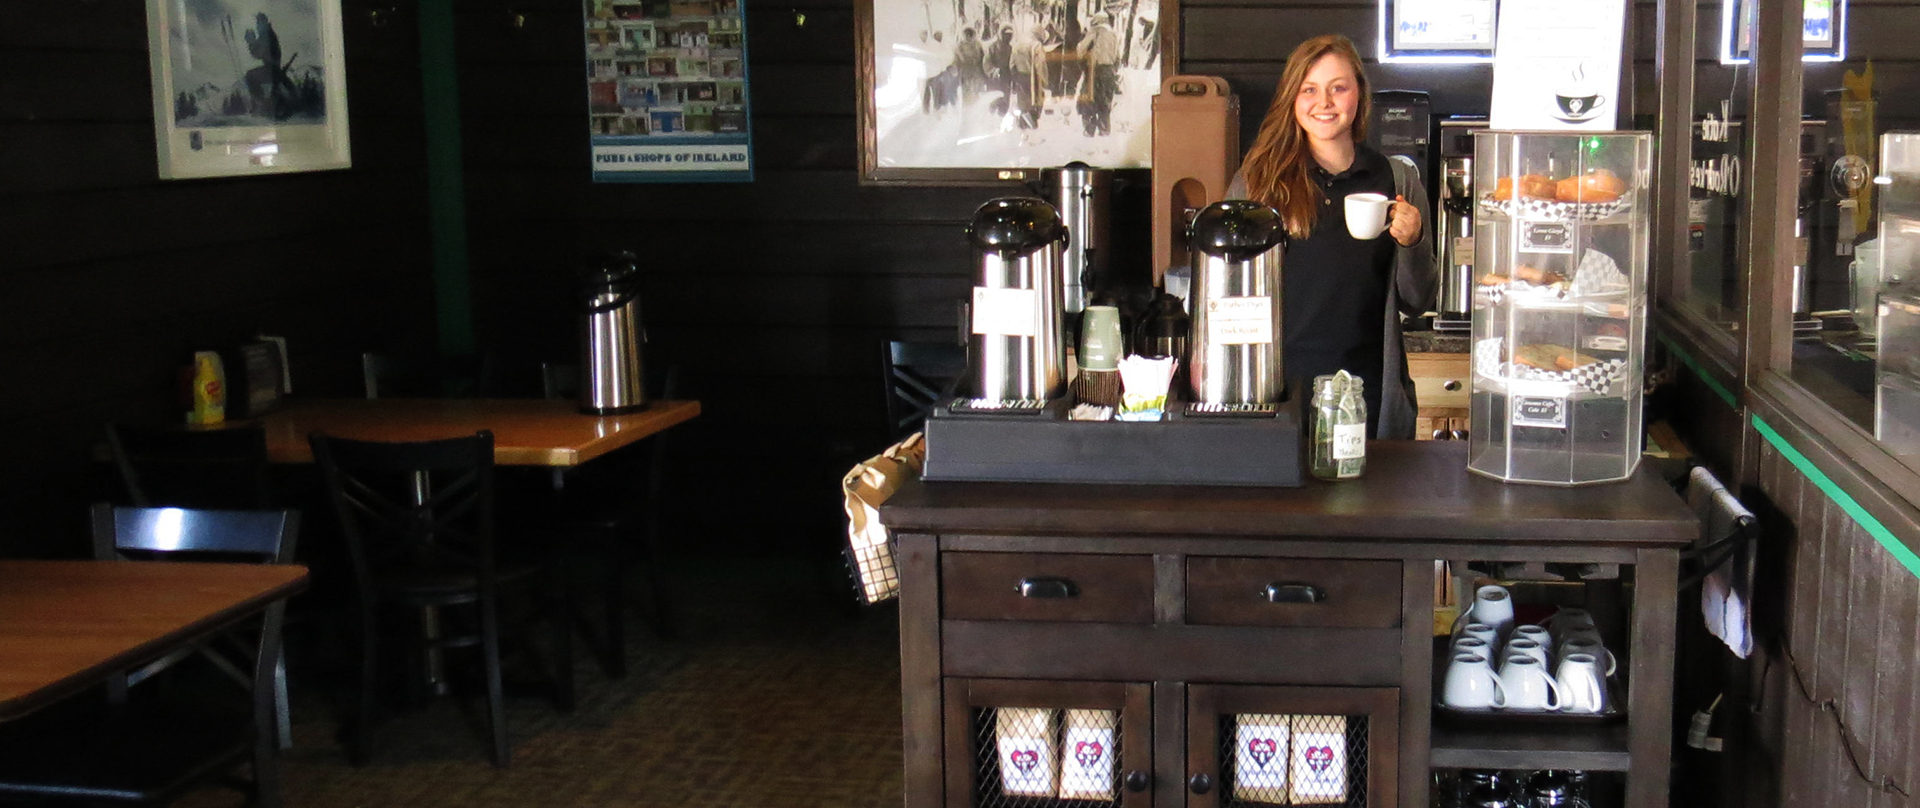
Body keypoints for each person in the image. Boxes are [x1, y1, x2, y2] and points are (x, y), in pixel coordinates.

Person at [1226, 34, 1435, 439]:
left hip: (1367, 393)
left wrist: (1412, 243)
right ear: (1292, 98)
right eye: (1309, 89)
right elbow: (1229, 299)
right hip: (1277, 392)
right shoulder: (1257, 184)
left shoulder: (1397, 179)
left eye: (1338, 88)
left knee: (1366, 501)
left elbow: (1417, 301)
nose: (1324, 102)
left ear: (1359, 94)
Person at [1076, 12, 1120, 136]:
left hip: (1094, 71)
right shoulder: (1113, 34)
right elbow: (1117, 57)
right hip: (1109, 72)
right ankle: (1104, 129)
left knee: (1089, 100)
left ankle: (1089, 130)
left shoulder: (1094, 32)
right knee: (1105, 102)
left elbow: (1081, 50)